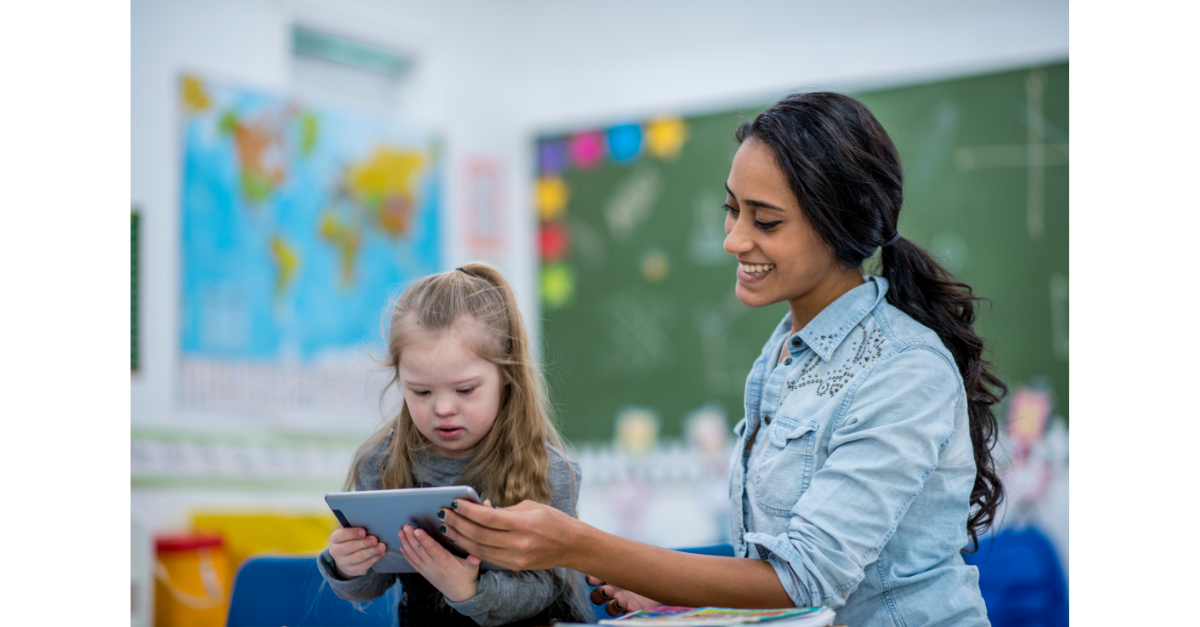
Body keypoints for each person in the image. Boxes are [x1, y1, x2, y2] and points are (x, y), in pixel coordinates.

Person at [441, 93, 1006, 627]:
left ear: (841, 224)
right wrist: (668, 588)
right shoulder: (784, 351)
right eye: (731, 211)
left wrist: (577, 543)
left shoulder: (903, 367)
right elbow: (775, 565)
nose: (733, 240)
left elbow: (803, 580)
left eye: (765, 221)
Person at [316, 262, 590, 626]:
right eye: (421, 391)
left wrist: (468, 588)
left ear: (506, 375)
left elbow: (544, 586)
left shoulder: (548, 470)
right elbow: (372, 581)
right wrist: (348, 565)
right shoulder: (381, 462)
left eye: (465, 390)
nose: (443, 409)